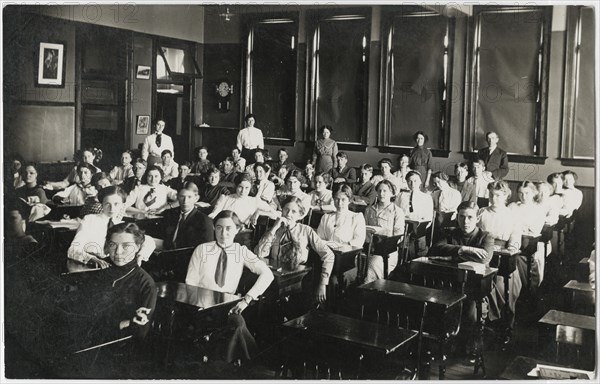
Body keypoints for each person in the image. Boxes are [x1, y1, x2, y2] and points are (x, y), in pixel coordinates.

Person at [185, 210, 274, 363]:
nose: (223, 233)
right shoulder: (202, 249)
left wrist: (246, 300)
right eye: (219, 227)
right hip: (201, 307)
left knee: (237, 324)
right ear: (214, 228)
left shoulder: (241, 251)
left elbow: (268, 274)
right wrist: (198, 307)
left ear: (238, 230)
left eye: (228, 228)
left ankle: (229, 368)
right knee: (236, 329)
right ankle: (244, 366)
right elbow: (190, 283)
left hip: (228, 306)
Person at [428, 201, 495, 357]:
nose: (465, 222)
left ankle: (466, 346)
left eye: (470, 217)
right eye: (462, 217)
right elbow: (434, 249)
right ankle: (442, 344)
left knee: (469, 310)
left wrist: (451, 256)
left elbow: (484, 259)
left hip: (474, 286)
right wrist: (464, 249)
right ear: (456, 217)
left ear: (477, 218)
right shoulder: (450, 233)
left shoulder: (486, 236)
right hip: (449, 283)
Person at [74, 222, 157, 346]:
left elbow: (139, 333)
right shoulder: (97, 271)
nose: (118, 252)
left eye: (126, 246)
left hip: (116, 350)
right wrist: (121, 323)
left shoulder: (145, 284)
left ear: (138, 247)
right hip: (84, 339)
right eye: (113, 245)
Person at [256, 196, 335, 304]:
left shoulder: (305, 231)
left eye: (293, 211)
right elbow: (259, 253)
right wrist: (274, 229)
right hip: (276, 279)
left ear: (300, 215)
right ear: (281, 210)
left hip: (297, 281)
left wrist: (323, 283)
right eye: (286, 210)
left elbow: (329, 255)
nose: (288, 214)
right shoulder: (274, 230)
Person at [478, 180, 522, 343]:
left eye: (497, 195)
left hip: (503, 257)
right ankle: (482, 323)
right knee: (480, 283)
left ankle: (504, 326)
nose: (493, 198)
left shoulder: (511, 215)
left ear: (505, 196)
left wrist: (511, 248)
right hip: (483, 255)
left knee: (508, 287)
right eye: (491, 194)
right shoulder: (482, 212)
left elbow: (516, 236)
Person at [68, 186, 156, 268]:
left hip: (116, 264)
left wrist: (140, 256)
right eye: (107, 204)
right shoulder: (90, 220)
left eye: (116, 204)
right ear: (101, 204)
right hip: (92, 264)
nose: (112, 209)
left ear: (122, 205)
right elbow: (73, 249)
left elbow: (149, 240)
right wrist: (90, 258)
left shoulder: (123, 224)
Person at [363, 179, 405, 283]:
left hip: (388, 252)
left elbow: (399, 235)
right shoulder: (369, 210)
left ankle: (371, 288)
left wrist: (385, 242)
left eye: (385, 191)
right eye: (380, 190)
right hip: (369, 249)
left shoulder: (397, 211)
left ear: (392, 193)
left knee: (373, 263)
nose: (382, 194)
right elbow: (363, 231)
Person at [509, 181, 546, 288]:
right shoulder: (512, 206)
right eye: (520, 193)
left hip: (530, 243)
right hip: (513, 241)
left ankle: (527, 288)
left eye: (527, 193)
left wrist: (517, 227)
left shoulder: (538, 209)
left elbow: (534, 230)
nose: (523, 196)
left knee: (521, 258)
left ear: (534, 193)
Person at [209, 173, 276, 226]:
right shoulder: (225, 198)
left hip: (243, 235)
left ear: (250, 188)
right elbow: (213, 215)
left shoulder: (254, 201)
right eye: (240, 187)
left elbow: (275, 214)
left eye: (247, 188)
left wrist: (258, 212)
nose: (243, 191)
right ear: (236, 186)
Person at [163, 182, 214, 249]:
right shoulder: (171, 214)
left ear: (196, 198)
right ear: (177, 197)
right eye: (182, 196)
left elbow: (206, 250)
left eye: (189, 197)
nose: (185, 201)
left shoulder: (204, 221)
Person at [317, 184, 366, 250]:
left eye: (343, 199)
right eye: (337, 199)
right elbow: (320, 239)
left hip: (347, 254)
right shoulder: (326, 217)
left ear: (349, 200)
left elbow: (358, 241)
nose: (339, 203)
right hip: (327, 252)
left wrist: (343, 246)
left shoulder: (356, 218)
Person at [397, 171, 434, 258]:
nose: (412, 183)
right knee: (404, 247)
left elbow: (429, 217)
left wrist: (419, 226)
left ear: (420, 182)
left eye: (415, 181)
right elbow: (396, 212)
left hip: (419, 228)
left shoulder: (426, 197)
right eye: (410, 181)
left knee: (419, 247)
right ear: (406, 182)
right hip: (403, 226)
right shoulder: (400, 195)